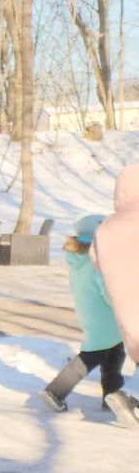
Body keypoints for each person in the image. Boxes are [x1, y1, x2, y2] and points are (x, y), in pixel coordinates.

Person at [39, 214, 136, 425]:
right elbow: (110, 292)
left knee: (113, 355)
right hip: (106, 319)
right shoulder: (98, 263)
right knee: (91, 356)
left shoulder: (78, 259)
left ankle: (111, 397)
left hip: (90, 314)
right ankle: (55, 391)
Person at [92, 165, 139, 425]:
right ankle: (130, 394)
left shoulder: (106, 226)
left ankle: (131, 396)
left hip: (123, 303)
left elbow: (95, 261)